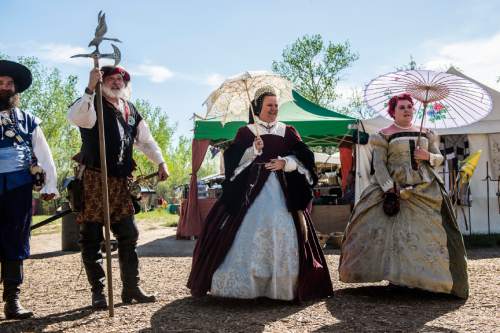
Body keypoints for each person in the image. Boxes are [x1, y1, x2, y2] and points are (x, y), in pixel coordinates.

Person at [187, 86, 334, 301]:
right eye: (269, 105)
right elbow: (231, 163)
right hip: (249, 190)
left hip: (283, 189)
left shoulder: (288, 130)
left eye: (276, 105)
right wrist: (252, 150)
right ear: (258, 107)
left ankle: (284, 284)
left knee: (282, 226)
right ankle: (250, 285)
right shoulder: (246, 132)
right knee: (250, 227)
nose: (274, 109)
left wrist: (286, 162)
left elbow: (306, 157)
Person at [338, 93, 469, 299]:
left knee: (426, 235)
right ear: (393, 111)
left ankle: (424, 280)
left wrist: (427, 156)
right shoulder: (383, 135)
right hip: (392, 190)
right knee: (390, 233)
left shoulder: (426, 133)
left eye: (409, 106)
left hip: (425, 189)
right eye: (402, 107)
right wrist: (390, 188)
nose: (407, 110)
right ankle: (396, 278)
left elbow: (439, 159)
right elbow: (379, 165)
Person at [67, 66, 169, 308]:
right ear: (102, 81)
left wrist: (161, 162)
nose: (115, 82)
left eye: (119, 79)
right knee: (91, 237)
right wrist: (90, 88)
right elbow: (78, 118)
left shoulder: (130, 110)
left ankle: (131, 288)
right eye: (110, 78)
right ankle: (98, 292)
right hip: (93, 177)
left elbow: (146, 140)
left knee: (129, 234)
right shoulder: (91, 103)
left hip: (121, 181)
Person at [0, 60, 58, 318]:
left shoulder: (28, 121)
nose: (4, 87)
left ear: (16, 89)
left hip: (18, 189)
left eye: (9, 84)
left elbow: (43, 154)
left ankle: (12, 301)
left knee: (15, 242)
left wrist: (50, 185)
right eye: (0, 83)